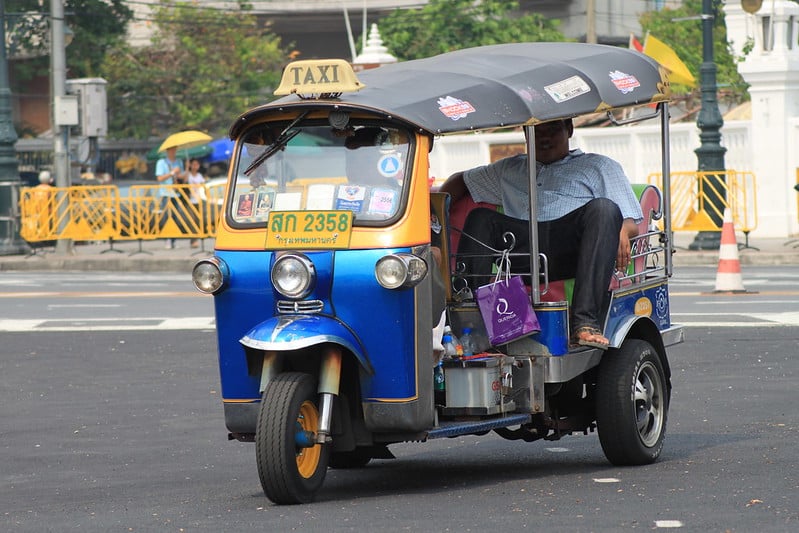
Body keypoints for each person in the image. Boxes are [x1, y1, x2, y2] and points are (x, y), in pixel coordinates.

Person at [439, 119, 642, 349]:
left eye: (553, 130)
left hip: (572, 252)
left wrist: (622, 230)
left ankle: (585, 324)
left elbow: (630, 221)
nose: (545, 138)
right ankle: (466, 315)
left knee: (604, 208)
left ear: (570, 130)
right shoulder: (508, 169)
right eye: (537, 132)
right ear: (526, 133)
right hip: (521, 252)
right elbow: (460, 180)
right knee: (480, 218)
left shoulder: (600, 166)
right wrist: (433, 214)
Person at [155, 146, 187, 249]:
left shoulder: (179, 162)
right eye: (171, 150)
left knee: (175, 216)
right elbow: (159, 178)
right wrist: (172, 172)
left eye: (175, 149)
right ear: (167, 151)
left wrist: (185, 169)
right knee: (167, 216)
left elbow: (182, 177)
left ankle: (174, 240)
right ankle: (167, 239)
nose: (173, 151)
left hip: (176, 192)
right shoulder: (161, 162)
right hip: (165, 193)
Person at [186, 158, 206, 248]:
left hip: (198, 200)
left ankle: (197, 239)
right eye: (193, 164)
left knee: (198, 220)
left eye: (196, 164)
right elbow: (184, 179)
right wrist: (187, 168)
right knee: (192, 221)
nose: (195, 166)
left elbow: (204, 185)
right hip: (190, 201)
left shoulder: (199, 176)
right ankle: (193, 241)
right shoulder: (189, 175)